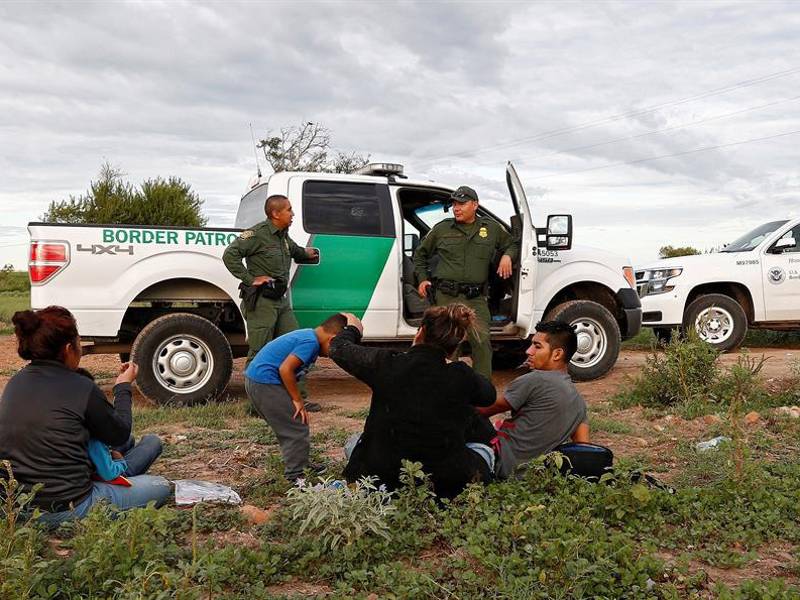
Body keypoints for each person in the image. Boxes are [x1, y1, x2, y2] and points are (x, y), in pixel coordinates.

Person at [0, 307, 171, 527]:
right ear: (69, 348)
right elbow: (119, 432)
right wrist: (123, 387)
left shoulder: (15, 383)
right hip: (70, 506)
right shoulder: (81, 387)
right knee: (159, 485)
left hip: (19, 507)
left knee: (125, 445)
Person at [330, 305, 496, 499]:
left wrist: (353, 328)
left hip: (382, 478)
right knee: (484, 450)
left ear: (421, 332)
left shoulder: (387, 363)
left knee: (353, 442)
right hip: (446, 483)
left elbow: (338, 348)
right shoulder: (461, 375)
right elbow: (488, 395)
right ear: (456, 344)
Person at [413, 185, 520, 380]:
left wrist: (507, 257)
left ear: (475, 205)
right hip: (446, 297)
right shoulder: (442, 229)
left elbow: (512, 243)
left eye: (461, 203)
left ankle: (482, 390)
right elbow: (419, 255)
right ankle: (444, 388)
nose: (456, 208)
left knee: (482, 343)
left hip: (475, 298)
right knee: (446, 346)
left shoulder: (491, 229)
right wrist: (422, 279)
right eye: (454, 204)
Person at [471, 320, 590, 478]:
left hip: (497, 463)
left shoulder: (535, 379)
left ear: (557, 354)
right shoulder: (579, 404)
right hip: (532, 477)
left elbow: (480, 412)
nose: (529, 351)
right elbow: (584, 451)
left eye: (537, 346)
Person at [244, 313, 347, 482]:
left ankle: (300, 464)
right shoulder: (310, 342)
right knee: (295, 427)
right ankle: (296, 477)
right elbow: (285, 369)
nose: (333, 354)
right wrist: (297, 399)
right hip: (265, 382)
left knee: (294, 423)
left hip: (258, 381)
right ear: (332, 339)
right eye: (336, 348)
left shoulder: (308, 336)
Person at [223, 194, 319, 365]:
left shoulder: (282, 236)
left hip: (279, 300)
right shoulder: (257, 234)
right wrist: (250, 279)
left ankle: (294, 391)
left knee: (295, 344)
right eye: (289, 210)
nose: (293, 214)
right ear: (276, 214)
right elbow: (230, 255)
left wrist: (308, 252)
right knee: (260, 351)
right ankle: (253, 389)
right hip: (262, 302)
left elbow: (295, 250)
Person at [75, 368, 164, 482]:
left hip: (92, 465)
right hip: (108, 477)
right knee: (152, 441)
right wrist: (120, 461)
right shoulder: (92, 434)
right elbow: (109, 473)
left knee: (128, 440)